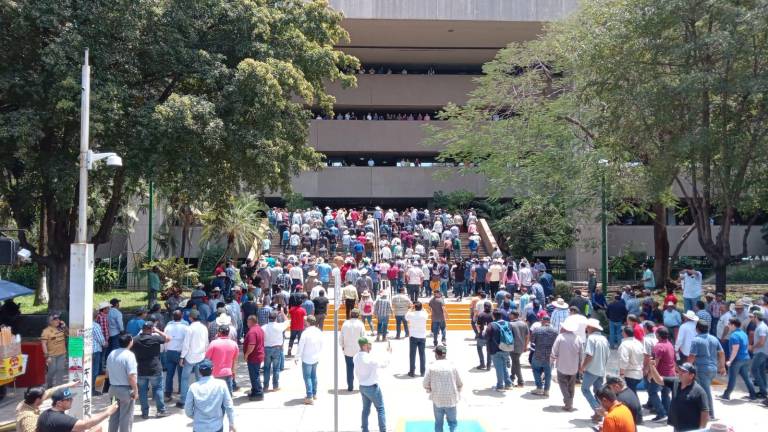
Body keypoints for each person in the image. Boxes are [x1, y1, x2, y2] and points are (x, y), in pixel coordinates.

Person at [131, 320, 170, 419]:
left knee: (142, 391)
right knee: (158, 389)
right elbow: (168, 338)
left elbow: (128, 346)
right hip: (155, 368)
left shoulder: (136, 339)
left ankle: (145, 412)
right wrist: (158, 331)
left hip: (141, 369)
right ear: (151, 329)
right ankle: (161, 410)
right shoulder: (155, 338)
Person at [184, 359, 236, 432]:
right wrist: (231, 424)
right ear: (212, 370)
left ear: (199, 372)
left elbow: (188, 410)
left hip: (199, 428)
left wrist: (197, 418)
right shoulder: (221, 384)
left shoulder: (193, 387)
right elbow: (229, 406)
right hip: (216, 427)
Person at [687, 320, 725, 420]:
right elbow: (721, 353)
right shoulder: (714, 339)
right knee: (699, 390)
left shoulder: (696, 340)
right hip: (712, 369)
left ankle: (710, 414)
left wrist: (686, 368)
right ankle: (700, 411)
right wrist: (722, 366)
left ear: (697, 329)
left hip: (702, 369)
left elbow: (691, 356)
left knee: (705, 392)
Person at [35, 387, 118, 432]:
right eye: (68, 400)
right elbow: (86, 424)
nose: (72, 401)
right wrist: (107, 413)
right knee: (97, 429)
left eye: (71, 398)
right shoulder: (60, 419)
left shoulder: (44, 414)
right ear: (59, 403)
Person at [354, 337, 391, 432]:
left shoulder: (356, 357)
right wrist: (388, 353)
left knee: (365, 410)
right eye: (369, 345)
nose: (370, 346)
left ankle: (364, 429)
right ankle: (383, 430)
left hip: (362, 387)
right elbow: (384, 364)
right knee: (380, 409)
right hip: (372, 387)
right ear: (364, 346)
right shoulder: (369, 358)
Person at [423, 344, 462, 432]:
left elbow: (425, 384)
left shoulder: (431, 367)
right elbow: (460, 383)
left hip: (437, 400)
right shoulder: (453, 366)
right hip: (451, 400)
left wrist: (430, 389)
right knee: (453, 423)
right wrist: (457, 391)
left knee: (438, 423)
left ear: (436, 355)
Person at [106, 333, 139, 432]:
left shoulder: (112, 353)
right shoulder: (129, 355)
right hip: (125, 390)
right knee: (126, 417)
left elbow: (107, 373)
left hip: (113, 389)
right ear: (130, 342)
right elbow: (131, 376)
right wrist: (136, 391)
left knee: (114, 415)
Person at [718, 317, 758, 400]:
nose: (728, 325)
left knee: (732, 378)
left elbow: (735, 350)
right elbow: (746, 346)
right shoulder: (743, 334)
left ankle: (726, 395)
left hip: (737, 360)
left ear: (733, 325)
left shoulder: (734, 336)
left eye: (729, 324)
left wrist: (730, 361)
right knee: (747, 378)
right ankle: (753, 395)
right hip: (746, 358)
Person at [177, 310, 209, 408]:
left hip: (190, 357)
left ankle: (184, 400)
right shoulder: (204, 328)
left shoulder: (189, 329)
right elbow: (206, 342)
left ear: (191, 318)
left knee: (184, 379)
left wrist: (182, 357)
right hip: (201, 356)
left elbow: (186, 345)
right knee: (200, 378)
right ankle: (202, 399)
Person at [580, 318, 610, 422]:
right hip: (601, 370)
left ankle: (598, 410)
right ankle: (598, 413)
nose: (586, 329)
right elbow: (608, 355)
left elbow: (589, 355)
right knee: (598, 392)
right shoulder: (604, 339)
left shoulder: (591, 338)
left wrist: (582, 367)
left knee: (585, 389)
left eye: (587, 327)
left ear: (591, 328)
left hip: (592, 369)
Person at [668, 363, 709, 432]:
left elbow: (705, 411)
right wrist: (652, 367)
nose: (680, 373)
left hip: (690, 429)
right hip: (677, 426)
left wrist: (701, 430)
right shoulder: (676, 383)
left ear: (691, 376)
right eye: (680, 370)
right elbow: (660, 380)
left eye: (684, 371)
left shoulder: (700, 392)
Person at [551, 318, 582, 410]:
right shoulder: (578, 338)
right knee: (571, 385)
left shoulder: (560, 337)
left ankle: (568, 402)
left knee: (563, 384)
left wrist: (551, 362)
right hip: (573, 367)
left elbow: (554, 351)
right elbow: (581, 354)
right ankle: (570, 402)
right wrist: (581, 366)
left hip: (562, 366)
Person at [648, 326, 677, 422]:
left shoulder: (659, 346)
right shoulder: (670, 344)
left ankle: (661, 414)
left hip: (660, 375)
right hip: (670, 374)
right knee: (665, 394)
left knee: (652, 392)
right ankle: (668, 414)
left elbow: (655, 362)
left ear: (658, 335)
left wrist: (650, 374)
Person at [295, 315, 323, 404]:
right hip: (315, 357)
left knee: (307, 377)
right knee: (314, 376)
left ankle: (310, 395)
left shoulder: (305, 333)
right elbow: (321, 344)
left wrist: (297, 357)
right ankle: (314, 393)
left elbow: (300, 346)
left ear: (308, 322)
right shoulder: (319, 331)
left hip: (307, 358)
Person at [206, 325, 240, 393]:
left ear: (219, 333)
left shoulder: (213, 343)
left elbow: (207, 358)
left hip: (215, 373)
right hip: (228, 373)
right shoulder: (234, 344)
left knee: (216, 396)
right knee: (228, 396)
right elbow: (235, 360)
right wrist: (233, 372)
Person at [163, 310, 188, 402]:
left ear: (173, 317)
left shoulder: (168, 326)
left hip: (169, 352)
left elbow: (164, 339)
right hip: (180, 353)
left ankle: (168, 393)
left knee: (169, 374)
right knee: (181, 374)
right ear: (182, 316)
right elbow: (187, 341)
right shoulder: (185, 327)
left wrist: (166, 350)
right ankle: (181, 392)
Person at [484, 310, 512, 391]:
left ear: (493, 316)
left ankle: (500, 386)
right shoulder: (508, 324)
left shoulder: (491, 325)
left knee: (499, 367)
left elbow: (486, 336)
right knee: (504, 366)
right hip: (506, 348)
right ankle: (508, 383)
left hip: (495, 349)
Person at [530, 315, 557, 397]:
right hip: (549, 357)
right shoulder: (555, 331)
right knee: (548, 374)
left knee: (535, 370)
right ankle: (546, 390)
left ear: (542, 321)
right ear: (549, 322)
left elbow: (532, 342)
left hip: (538, 355)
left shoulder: (537, 330)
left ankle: (539, 387)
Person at [341, 309, 367, 391]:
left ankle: (350, 386)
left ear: (350, 314)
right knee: (360, 368)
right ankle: (362, 385)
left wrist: (342, 345)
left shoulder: (345, 324)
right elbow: (364, 337)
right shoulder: (360, 324)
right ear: (358, 315)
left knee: (349, 368)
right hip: (358, 350)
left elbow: (341, 336)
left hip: (347, 349)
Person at [263, 311, 288, 392]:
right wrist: (283, 313)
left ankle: (266, 386)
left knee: (266, 368)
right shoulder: (279, 326)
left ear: (268, 318)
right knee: (276, 368)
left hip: (266, 349)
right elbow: (287, 321)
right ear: (276, 318)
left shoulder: (263, 327)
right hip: (277, 349)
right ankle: (275, 386)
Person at [41, 313, 67, 387]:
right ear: (50, 321)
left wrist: (64, 326)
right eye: (55, 319)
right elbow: (43, 344)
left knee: (60, 370)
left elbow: (69, 334)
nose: (58, 320)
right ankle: (49, 386)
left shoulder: (61, 328)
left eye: (58, 319)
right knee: (52, 371)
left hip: (62, 354)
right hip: (52, 355)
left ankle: (59, 388)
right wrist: (47, 356)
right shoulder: (46, 331)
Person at [243, 315, 265, 401]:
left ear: (251, 321)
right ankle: (255, 390)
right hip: (258, 355)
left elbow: (252, 345)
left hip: (254, 357)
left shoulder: (252, 331)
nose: (247, 323)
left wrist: (246, 354)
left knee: (254, 375)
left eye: (248, 321)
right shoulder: (259, 329)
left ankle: (258, 392)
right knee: (255, 374)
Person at [617, 326, 645, 393]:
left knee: (630, 395)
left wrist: (621, 374)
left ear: (624, 333)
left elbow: (623, 360)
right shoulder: (639, 343)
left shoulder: (624, 345)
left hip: (629, 374)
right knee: (632, 393)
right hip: (639, 373)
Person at [406, 301, 429, 377]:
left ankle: (412, 371)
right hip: (422, 336)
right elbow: (426, 312)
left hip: (413, 336)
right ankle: (422, 372)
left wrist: (411, 309)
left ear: (414, 307)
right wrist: (422, 308)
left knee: (412, 355)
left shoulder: (411, 314)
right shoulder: (424, 315)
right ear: (421, 307)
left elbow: (406, 317)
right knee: (422, 354)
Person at [507, 310, 529, 387]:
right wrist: (526, 346)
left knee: (516, 363)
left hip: (513, 347)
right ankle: (512, 377)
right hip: (521, 347)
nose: (509, 316)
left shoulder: (510, 324)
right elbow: (527, 336)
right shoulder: (524, 324)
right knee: (515, 361)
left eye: (510, 315)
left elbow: (508, 337)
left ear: (513, 315)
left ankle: (520, 381)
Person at [750, 310, 768, 398]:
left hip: (761, 352)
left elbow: (761, 342)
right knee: (761, 371)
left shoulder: (762, 327)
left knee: (753, 370)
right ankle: (764, 391)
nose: (751, 318)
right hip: (762, 352)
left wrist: (752, 347)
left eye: (752, 317)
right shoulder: (760, 326)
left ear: (756, 317)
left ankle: (764, 391)